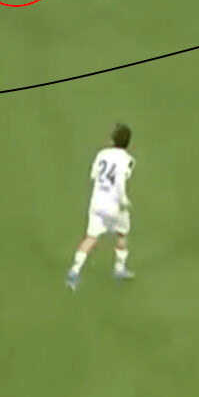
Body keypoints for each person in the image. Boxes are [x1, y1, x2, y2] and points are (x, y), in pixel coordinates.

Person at [67, 124, 135, 289]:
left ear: (113, 139)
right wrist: (123, 200)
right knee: (122, 233)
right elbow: (119, 182)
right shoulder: (128, 160)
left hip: (97, 202)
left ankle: (74, 271)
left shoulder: (102, 154)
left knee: (91, 237)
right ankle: (119, 268)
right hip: (114, 205)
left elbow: (93, 175)